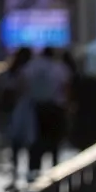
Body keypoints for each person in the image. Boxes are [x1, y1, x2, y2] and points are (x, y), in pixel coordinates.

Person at [22, 47, 71, 177]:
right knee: (54, 140)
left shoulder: (32, 66)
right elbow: (66, 87)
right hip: (55, 108)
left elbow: (23, 83)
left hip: (36, 107)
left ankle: (33, 169)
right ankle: (55, 166)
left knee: (36, 140)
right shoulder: (59, 68)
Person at [2, 47, 35, 190]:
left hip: (17, 110)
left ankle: (16, 177)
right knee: (29, 144)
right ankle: (30, 176)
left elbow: (6, 92)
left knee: (16, 145)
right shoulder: (28, 71)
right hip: (26, 110)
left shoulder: (12, 72)